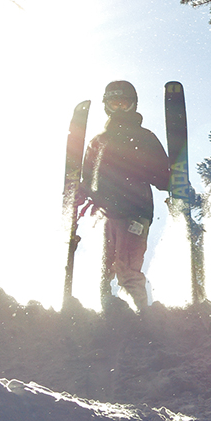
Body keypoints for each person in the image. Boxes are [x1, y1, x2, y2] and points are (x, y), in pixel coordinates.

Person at [79, 80, 170, 313]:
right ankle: (108, 314)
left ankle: (141, 316)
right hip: (106, 213)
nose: (119, 108)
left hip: (135, 211)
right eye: (114, 103)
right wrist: (79, 192)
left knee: (128, 267)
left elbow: (162, 175)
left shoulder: (144, 137)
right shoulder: (98, 141)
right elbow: (88, 179)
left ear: (133, 105)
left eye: (124, 103)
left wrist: (174, 186)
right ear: (107, 106)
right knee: (105, 268)